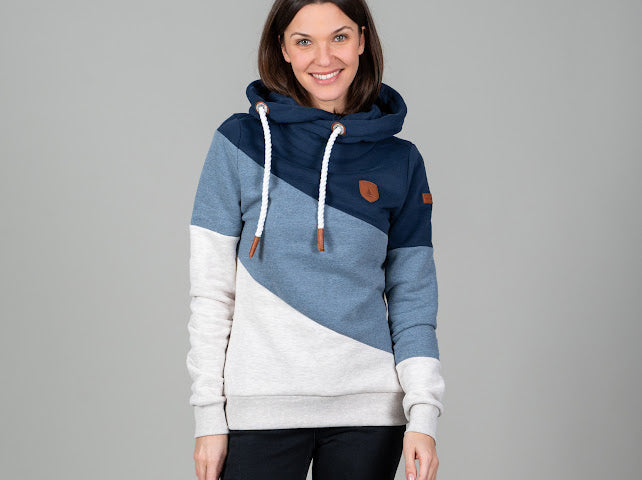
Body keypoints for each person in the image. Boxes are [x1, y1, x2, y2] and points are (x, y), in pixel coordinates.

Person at [186, 1, 445, 479]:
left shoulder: (400, 161)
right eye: (304, 41)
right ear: (283, 49)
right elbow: (211, 294)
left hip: (369, 411)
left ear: (362, 40)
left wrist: (423, 415)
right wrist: (208, 416)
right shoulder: (239, 143)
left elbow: (413, 299)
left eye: (339, 37)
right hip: (259, 406)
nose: (324, 58)